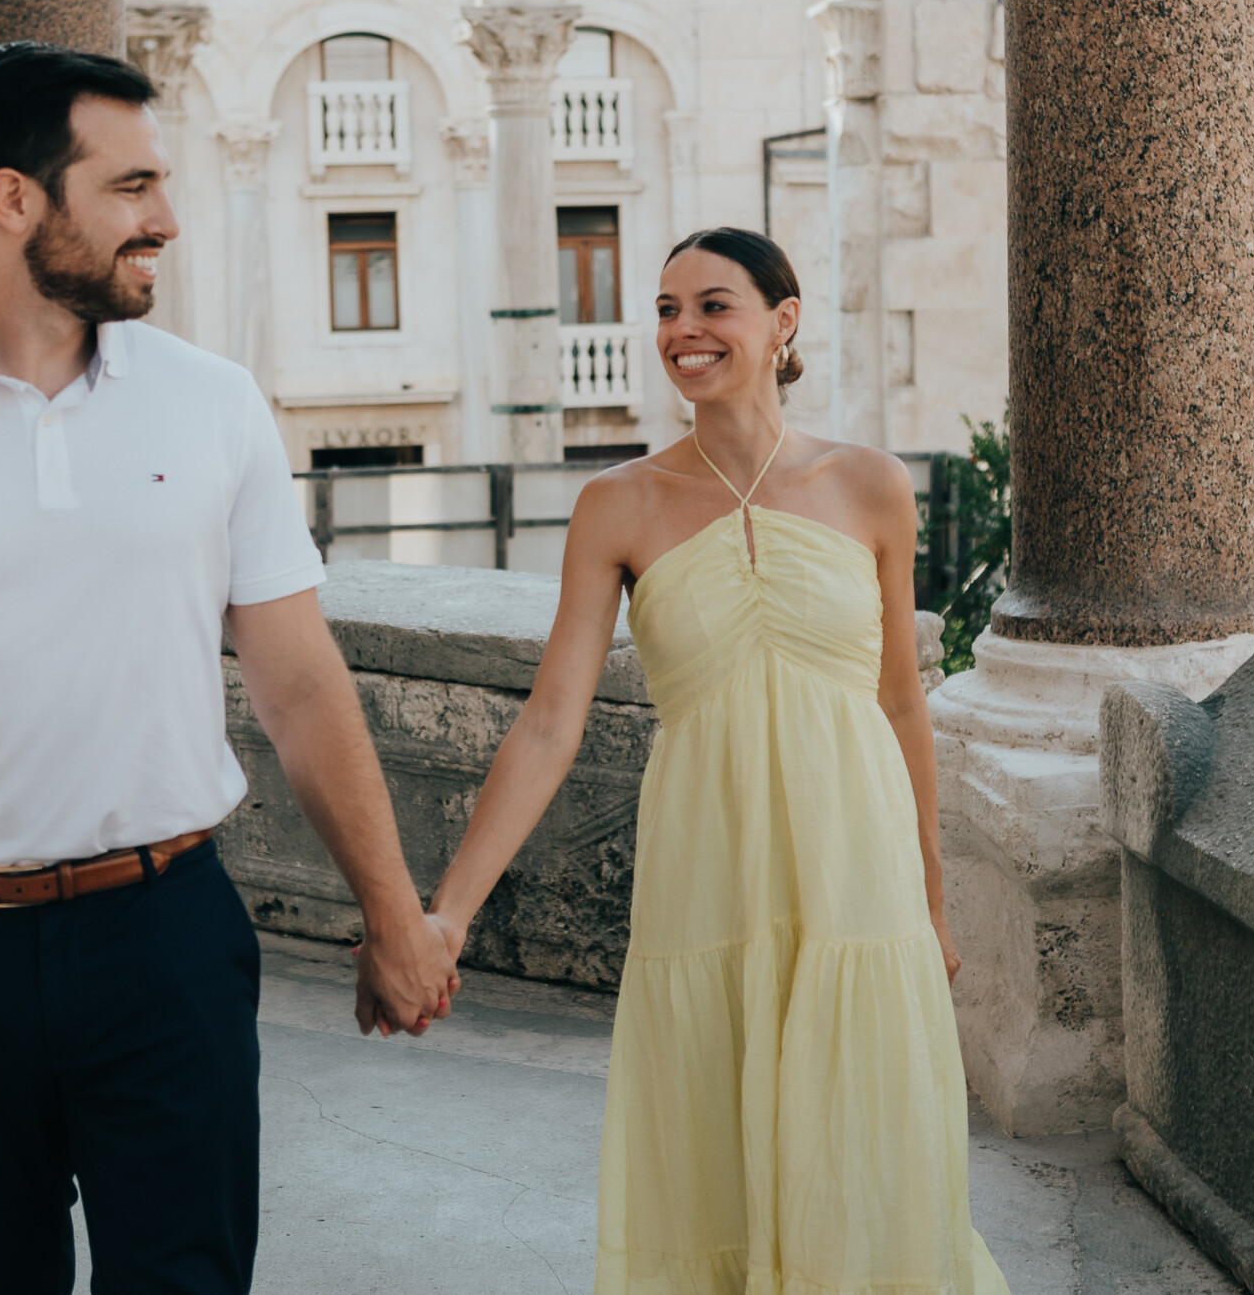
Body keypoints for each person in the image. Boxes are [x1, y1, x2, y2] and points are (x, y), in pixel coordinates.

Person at [0, 42, 456, 1295]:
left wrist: (392, 914)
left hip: (166, 937)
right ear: (14, 199)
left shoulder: (212, 403)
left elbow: (300, 683)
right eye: (130, 187)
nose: (163, 221)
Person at [424, 227, 1009, 1295]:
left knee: (863, 1124)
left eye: (711, 305)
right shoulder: (618, 505)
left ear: (782, 321)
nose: (682, 332)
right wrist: (449, 913)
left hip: (856, 865)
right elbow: (551, 720)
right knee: (709, 1126)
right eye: (664, 310)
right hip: (708, 864)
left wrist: (929, 902)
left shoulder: (871, 486)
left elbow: (897, 703)